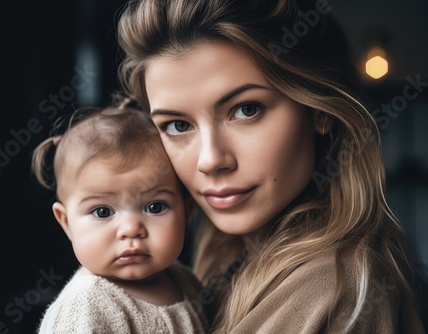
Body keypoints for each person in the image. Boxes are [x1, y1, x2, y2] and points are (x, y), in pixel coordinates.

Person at [116, 0, 428, 333]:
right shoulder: (220, 271)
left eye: (247, 109)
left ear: (320, 111)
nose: (210, 160)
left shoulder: (340, 292)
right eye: (177, 125)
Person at [31, 99, 210, 333]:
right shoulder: (87, 304)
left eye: (155, 207)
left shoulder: (185, 282)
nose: (131, 229)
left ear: (187, 211)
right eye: (102, 212)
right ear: (66, 223)